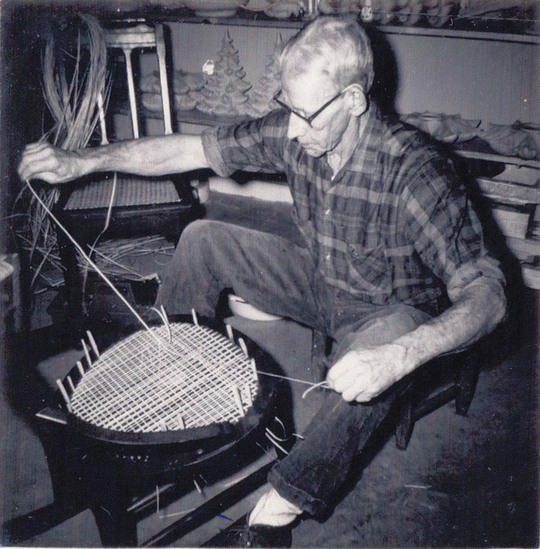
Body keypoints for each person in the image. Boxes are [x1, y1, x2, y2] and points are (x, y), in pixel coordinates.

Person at [18, 16, 506, 548]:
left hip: (391, 313)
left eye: (305, 114)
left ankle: (275, 513)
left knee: (372, 369)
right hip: (324, 280)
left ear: (354, 100)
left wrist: (400, 356)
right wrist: (82, 161)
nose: (291, 129)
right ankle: (168, 383)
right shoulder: (299, 129)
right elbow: (187, 149)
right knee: (203, 238)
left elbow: (488, 294)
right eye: (287, 106)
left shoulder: (417, 170)